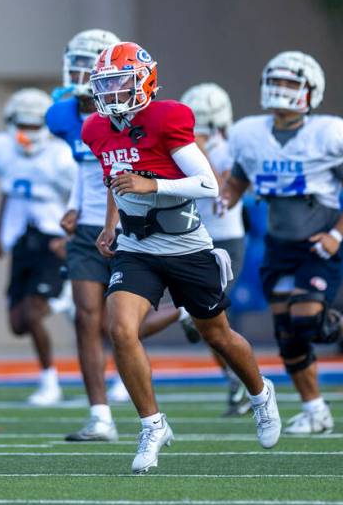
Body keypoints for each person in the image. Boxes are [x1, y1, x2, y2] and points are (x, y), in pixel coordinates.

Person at [82, 41, 280, 473]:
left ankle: (261, 393)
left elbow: (208, 184)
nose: (113, 92)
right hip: (136, 246)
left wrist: (153, 186)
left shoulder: (166, 117)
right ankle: (152, 425)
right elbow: (116, 180)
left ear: (144, 81)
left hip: (184, 243)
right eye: (106, 84)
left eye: (121, 82)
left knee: (218, 335)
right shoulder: (95, 129)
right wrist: (110, 222)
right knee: (120, 329)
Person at [223, 51, 343, 435]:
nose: (280, 90)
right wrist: (221, 198)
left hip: (316, 243)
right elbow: (237, 183)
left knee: (306, 319)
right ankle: (316, 410)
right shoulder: (251, 134)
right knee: (288, 334)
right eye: (276, 81)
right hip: (279, 245)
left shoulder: (326, 133)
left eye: (291, 83)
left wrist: (337, 234)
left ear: (311, 91)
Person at [49, 29, 126, 441]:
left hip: (129, 227)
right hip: (86, 228)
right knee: (85, 319)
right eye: (75, 63)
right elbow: (84, 166)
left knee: (120, 325)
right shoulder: (62, 114)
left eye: (87, 63)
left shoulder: (124, 112)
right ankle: (101, 415)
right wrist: (74, 203)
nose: (79, 72)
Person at [0, 88, 77, 406]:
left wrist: (71, 238)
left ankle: (49, 382)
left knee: (32, 313)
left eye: (34, 125)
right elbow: (6, 191)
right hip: (20, 239)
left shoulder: (62, 157)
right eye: (21, 125)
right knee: (17, 323)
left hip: (52, 240)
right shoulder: (1, 150)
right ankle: (60, 301)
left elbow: (79, 198)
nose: (27, 132)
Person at [180, 82, 253, 417]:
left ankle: (248, 384)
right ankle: (235, 381)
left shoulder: (230, 148)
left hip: (226, 240)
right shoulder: (180, 146)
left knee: (206, 316)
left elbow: (220, 193)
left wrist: (200, 151)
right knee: (207, 323)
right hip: (191, 237)